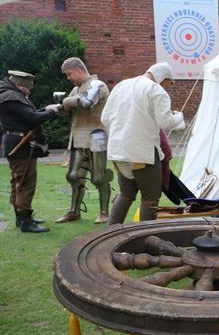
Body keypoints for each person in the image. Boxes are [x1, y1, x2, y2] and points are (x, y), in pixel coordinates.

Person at [101, 62, 184, 223]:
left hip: (117, 150)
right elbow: (166, 122)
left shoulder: (121, 85)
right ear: (163, 78)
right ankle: (146, 235)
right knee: (150, 198)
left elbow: (105, 119)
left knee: (125, 194)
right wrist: (179, 117)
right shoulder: (155, 90)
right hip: (142, 152)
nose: (167, 87)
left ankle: (110, 233)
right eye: (168, 83)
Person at [0, 70, 61, 233]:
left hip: (17, 142)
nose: (29, 91)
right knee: (25, 182)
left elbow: (27, 115)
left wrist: (46, 109)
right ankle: (25, 222)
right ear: (20, 85)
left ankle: (21, 217)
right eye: (28, 88)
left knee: (19, 181)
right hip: (20, 144)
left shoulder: (9, 95)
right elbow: (33, 118)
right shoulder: (11, 97)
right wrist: (53, 111)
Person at [55, 57, 112, 224]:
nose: (68, 78)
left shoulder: (98, 85)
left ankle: (104, 212)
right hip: (78, 138)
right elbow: (68, 110)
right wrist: (59, 106)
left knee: (99, 178)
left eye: (69, 74)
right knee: (73, 176)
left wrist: (66, 101)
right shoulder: (76, 89)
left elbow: (87, 102)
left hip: (96, 137)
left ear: (78, 70)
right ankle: (74, 211)